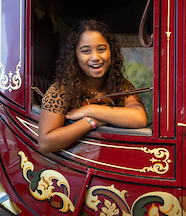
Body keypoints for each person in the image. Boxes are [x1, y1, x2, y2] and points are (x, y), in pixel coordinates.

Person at [38, 20, 148, 153]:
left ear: (111, 51)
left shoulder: (120, 84)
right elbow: (45, 143)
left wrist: (90, 110)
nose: (95, 57)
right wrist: (92, 121)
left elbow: (139, 118)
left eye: (101, 49)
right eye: (85, 51)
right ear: (75, 56)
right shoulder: (61, 89)